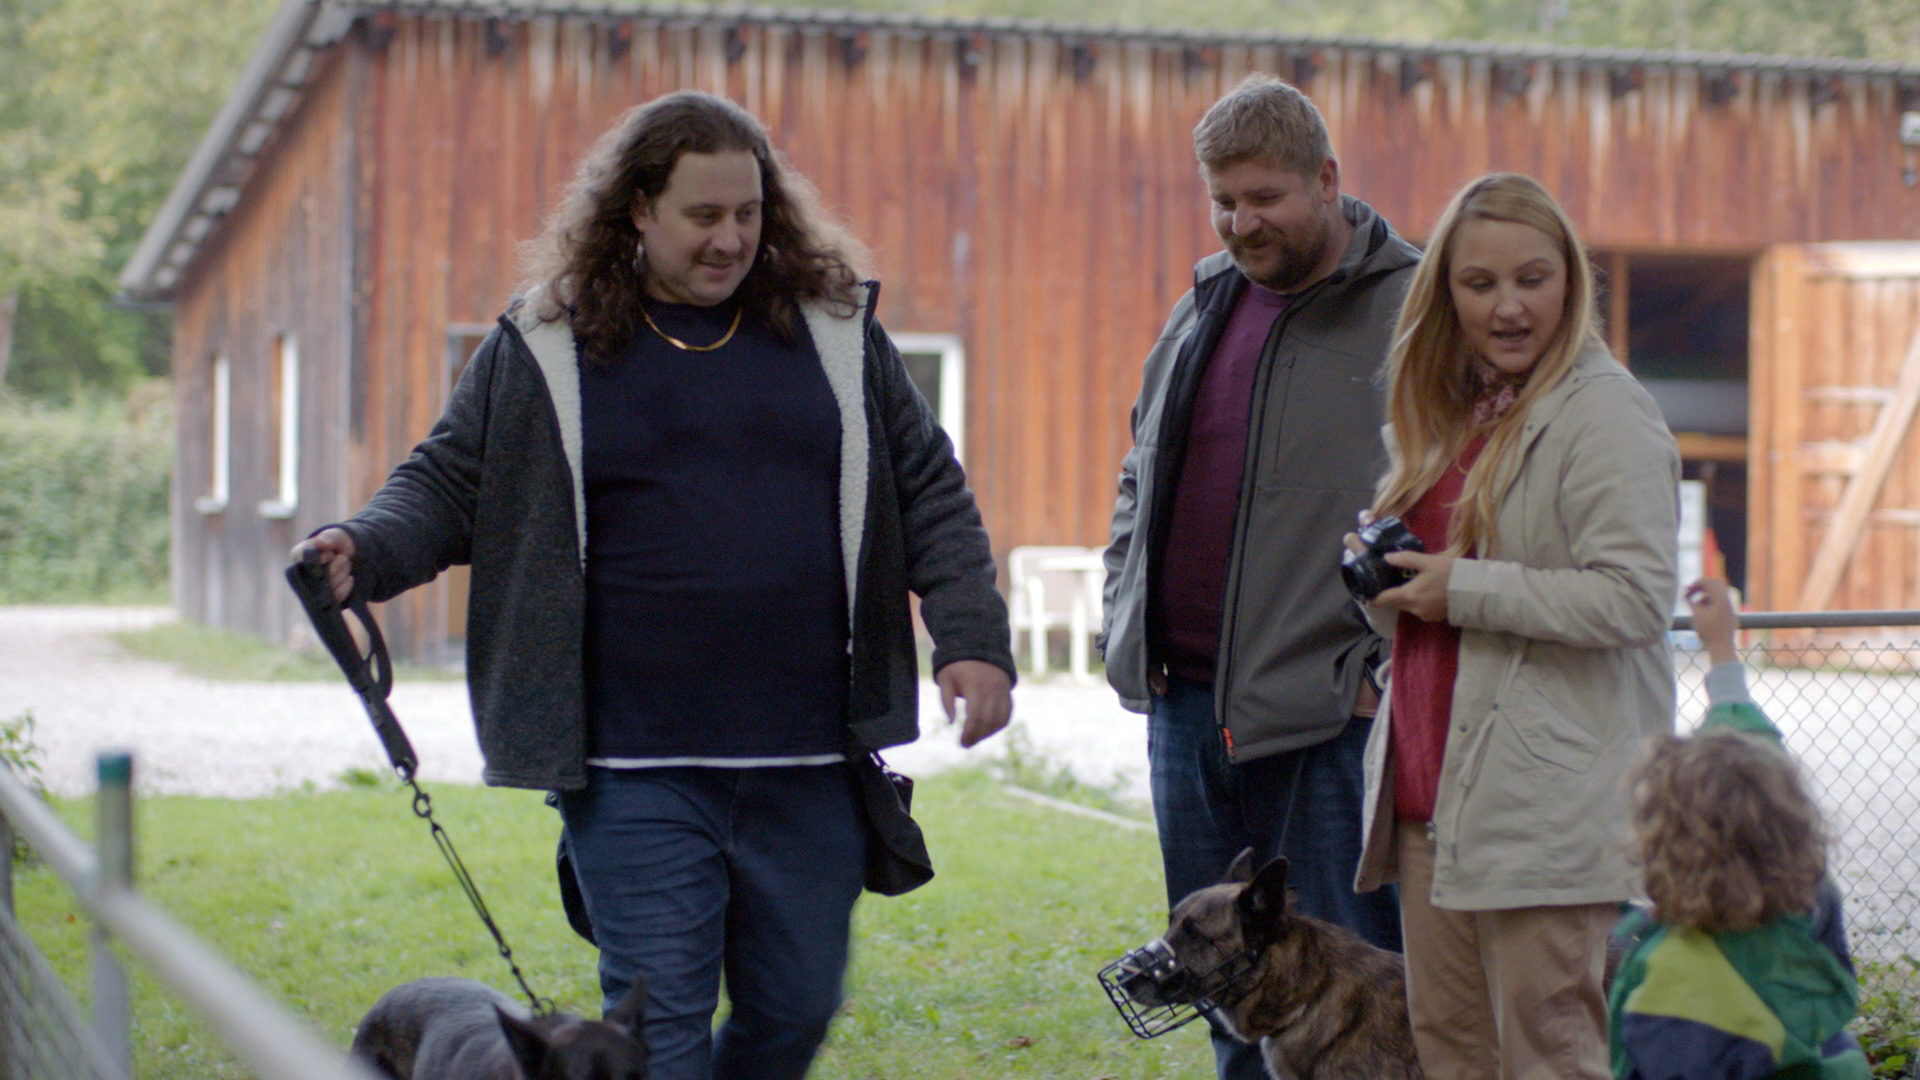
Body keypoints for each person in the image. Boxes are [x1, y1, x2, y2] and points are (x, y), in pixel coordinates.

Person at [291, 91, 1015, 1080]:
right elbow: (451, 482)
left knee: (797, 1009)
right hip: (630, 768)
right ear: (637, 210)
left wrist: (970, 635)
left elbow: (929, 483)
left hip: (807, 762)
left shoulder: (836, 333)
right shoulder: (548, 341)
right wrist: (359, 549)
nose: (731, 240)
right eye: (704, 216)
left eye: (749, 214)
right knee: (659, 1034)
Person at [1099, 72, 1414, 1080]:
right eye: (1224, 202)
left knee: (1350, 1006)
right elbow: (1138, 477)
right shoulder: (1205, 303)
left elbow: (1458, 490)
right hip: (1184, 702)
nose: (1242, 222)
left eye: (1264, 198)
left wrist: (1379, 663)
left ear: (1326, 180)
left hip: (1326, 713)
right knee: (1222, 989)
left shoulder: (1412, 309)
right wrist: (1124, 611)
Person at [1346, 172, 1681, 1079]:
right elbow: (1443, 598)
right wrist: (1392, 585)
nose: (1508, 307)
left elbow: (1637, 599)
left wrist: (1463, 590)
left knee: (1550, 1058)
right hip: (1429, 793)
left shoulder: (1605, 412)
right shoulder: (1450, 415)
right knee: (1452, 1054)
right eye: (1479, 283)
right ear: (1443, 294)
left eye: (1532, 279)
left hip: (1546, 809)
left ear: (1570, 281)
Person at [1608, 578, 1869, 1080]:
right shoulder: (1810, 909)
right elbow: (1754, 765)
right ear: (1792, 824)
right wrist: (1723, 649)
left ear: (1664, 842)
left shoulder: (1673, 975)